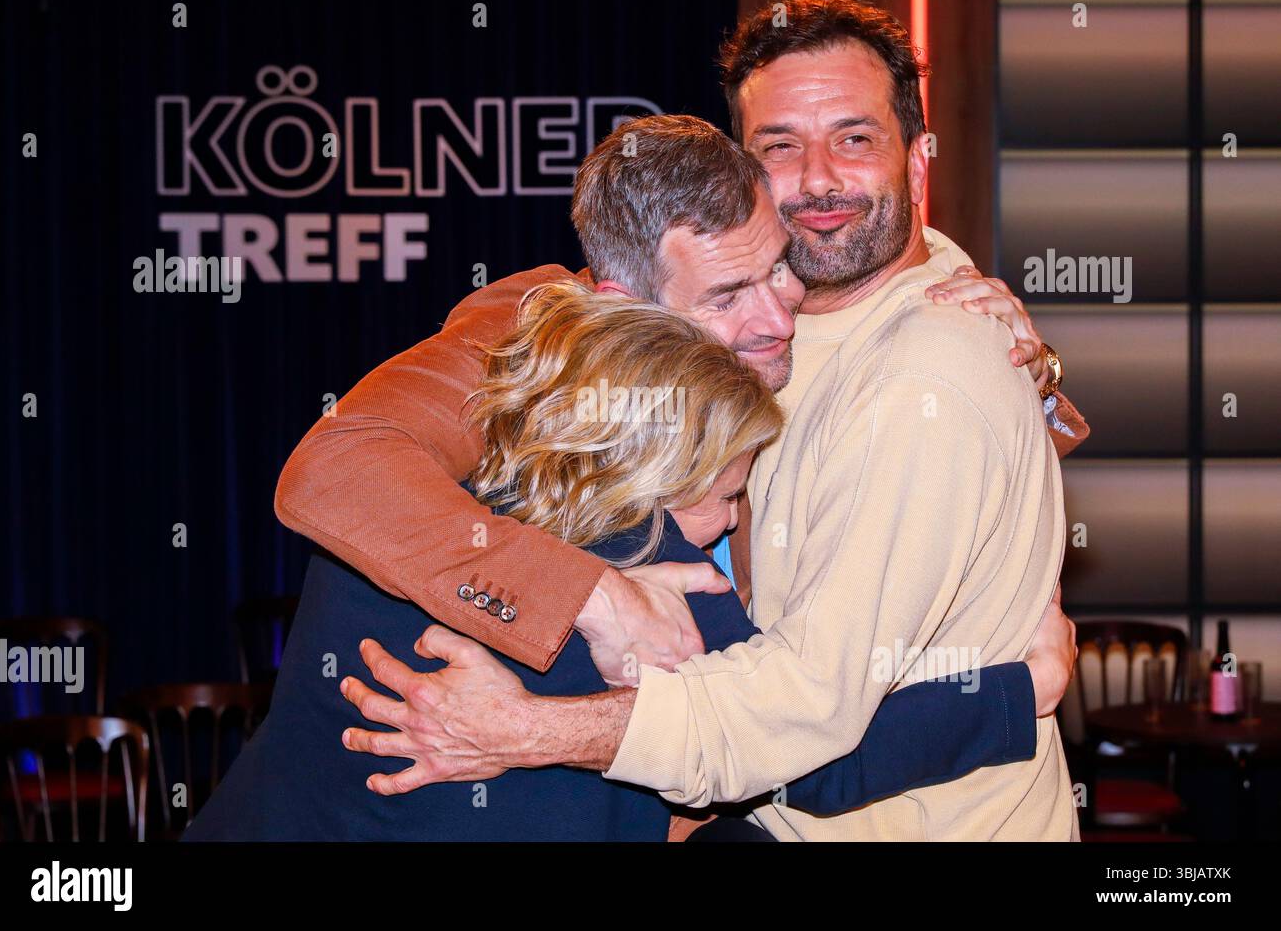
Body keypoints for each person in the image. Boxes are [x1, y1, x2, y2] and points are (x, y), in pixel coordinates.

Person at [340, 0, 1082, 841]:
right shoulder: (576, 341)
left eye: (854, 139)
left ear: (916, 165)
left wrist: (1037, 385)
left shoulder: (937, 350)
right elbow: (340, 466)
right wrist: (1014, 696)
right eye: (780, 148)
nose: (819, 180)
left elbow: (800, 727)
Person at [184, 283, 1063, 840]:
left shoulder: (419, 512)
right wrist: (1019, 690)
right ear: (650, 476)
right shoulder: (655, 570)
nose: (730, 521)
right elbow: (814, 759)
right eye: (724, 492)